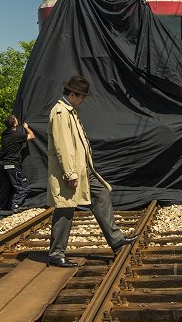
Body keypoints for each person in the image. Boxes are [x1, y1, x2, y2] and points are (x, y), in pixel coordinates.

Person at [46, 76, 138, 268]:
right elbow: (63, 145)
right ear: (72, 94)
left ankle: (116, 239)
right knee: (65, 208)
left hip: (83, 169)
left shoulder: (71, 110)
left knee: (101, 194)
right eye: (81, 96)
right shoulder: (61, 112)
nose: (83, 100)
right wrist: (70, 173)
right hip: (70, 171)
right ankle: (56, 254)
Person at [0, 115, 35, 212]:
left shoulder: (4, 134)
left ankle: (4, 206)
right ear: (14, 123)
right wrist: (27, 128)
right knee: (21, 187)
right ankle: (16, 206)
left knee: (9, 186)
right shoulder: (17, 135)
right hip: (12, 164)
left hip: (3, 165)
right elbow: (32, 136)